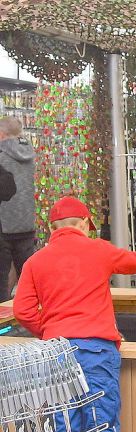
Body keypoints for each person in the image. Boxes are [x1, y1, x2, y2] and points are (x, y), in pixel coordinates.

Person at [13, 196, 136, 432]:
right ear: (84, 225)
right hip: (96, 350)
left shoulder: (35, 261)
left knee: (63, 428)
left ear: (51, 228)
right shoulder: (99, 249)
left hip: (54, 355)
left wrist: (50, 331)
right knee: (100, 424)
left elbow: (23, 310)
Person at [0, 116, 37, 301]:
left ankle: (3, 326)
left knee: (1, 281)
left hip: (3, 225)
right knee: (30, 280)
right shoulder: (29, 153)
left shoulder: (1, 155)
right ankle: (30, 321)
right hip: (26, 224)